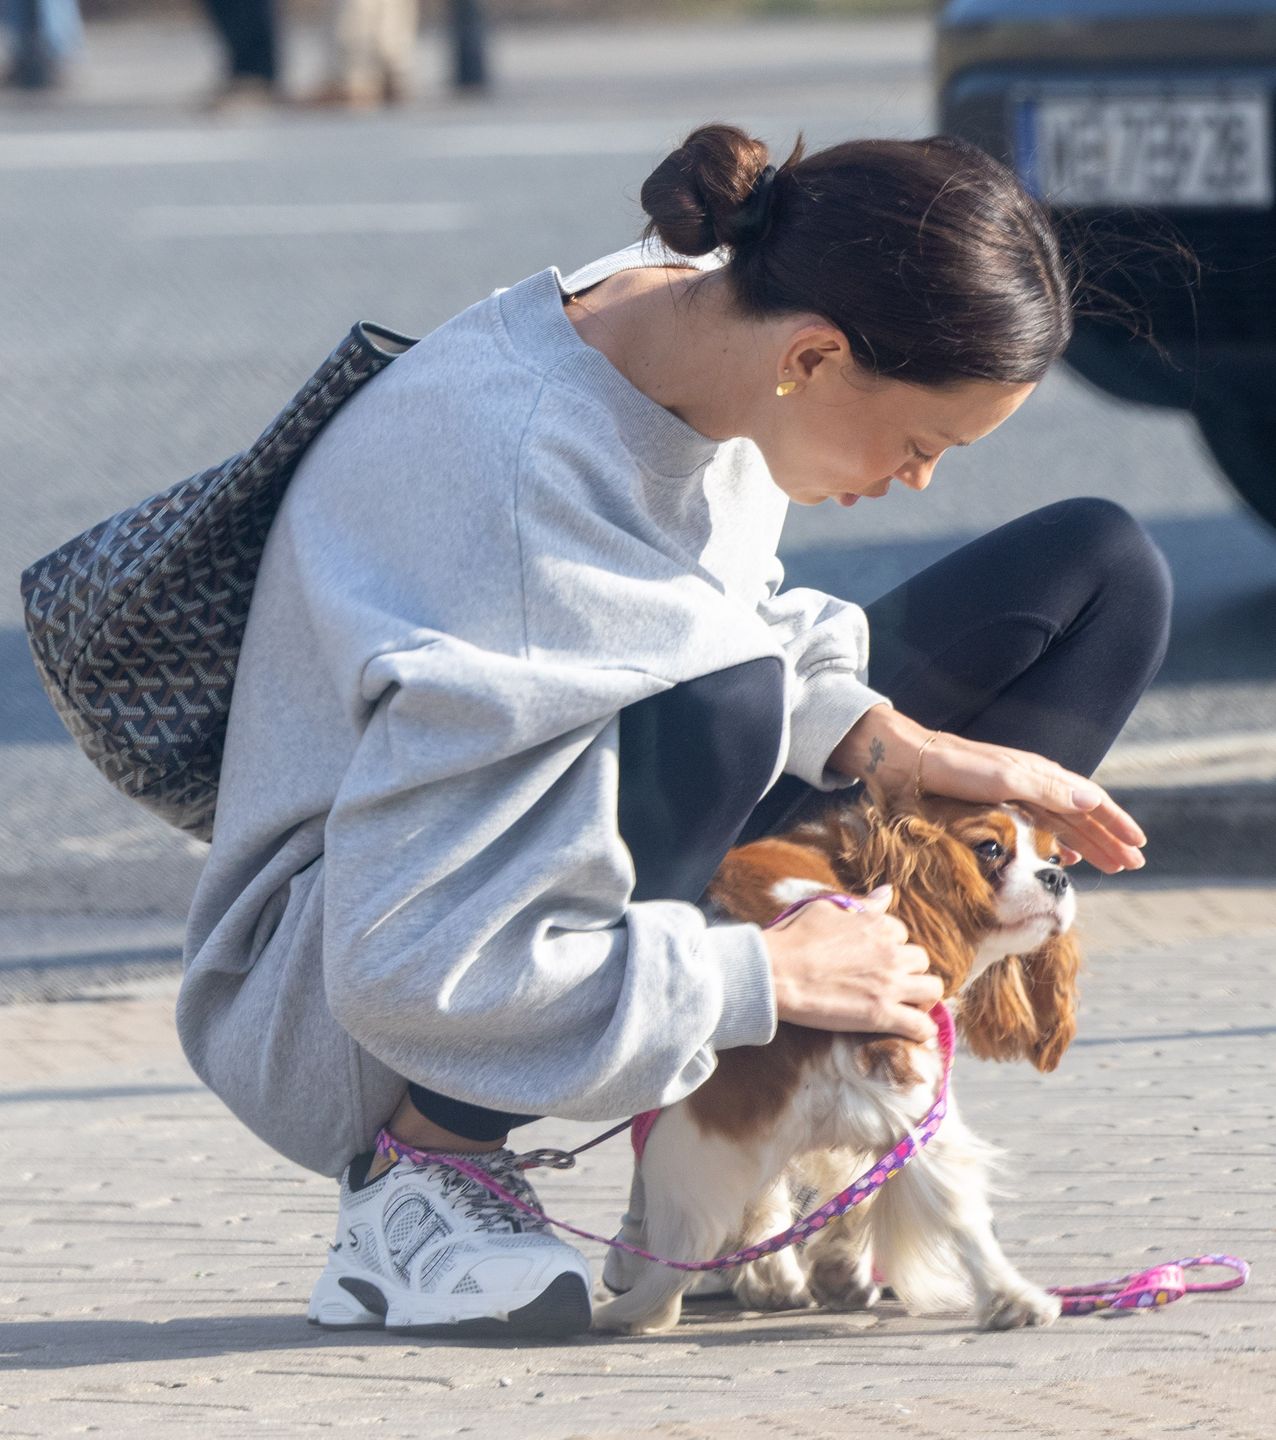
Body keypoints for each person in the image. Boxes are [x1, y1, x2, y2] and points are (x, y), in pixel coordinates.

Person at [175, 123, 1169, 1339]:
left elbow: (711, 609)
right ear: (815, 354)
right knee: (725, 702)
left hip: (550, 843)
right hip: (346, 989)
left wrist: (892, 741)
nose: (916, 484)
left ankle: (786, 1116)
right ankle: (422, 1185)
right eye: (918, 446)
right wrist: (758, 973)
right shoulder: (516, 476)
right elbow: (400, 961)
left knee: (1101, 574)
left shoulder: (703, 338)